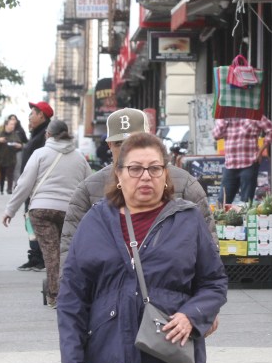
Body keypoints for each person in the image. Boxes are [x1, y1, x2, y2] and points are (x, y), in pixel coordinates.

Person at [57, 132, 228, 363]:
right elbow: (72, 293)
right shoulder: (96, 222)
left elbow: (213, 281)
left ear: (166, 174)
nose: (145, 176)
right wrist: (72, 354)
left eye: (155, 168)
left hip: (168, 359)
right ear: (119, 175)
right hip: (107, 357)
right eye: (135, 168)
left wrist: (192, 315)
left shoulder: (187, 220)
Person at [60, 108, 215, 269]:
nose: (126, 149)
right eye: (119, 143)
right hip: (108, 289)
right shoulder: (89, 189)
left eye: (135, 142)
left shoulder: (184, 184)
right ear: (109, 145)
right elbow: (70, 248)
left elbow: (208, 250)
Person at [2, 119, 90, 307]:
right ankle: (73, 292)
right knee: (68, 253)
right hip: (70, 211)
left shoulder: (40, 154)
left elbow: (24, 184)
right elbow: (90, 185)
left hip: (41, 210)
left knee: (51, 253)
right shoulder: (79, 157)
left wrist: (10, 210)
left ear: (47, 135)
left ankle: (55, 296)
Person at [16, 100, 52, 272]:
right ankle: (35, 255)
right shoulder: (37, 135)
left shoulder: (44, 137)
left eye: (32, 113)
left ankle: (38, 257)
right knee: (31, 222)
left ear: (41, 116)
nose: (29, 117)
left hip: (37, 188)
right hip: (33, 188)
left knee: (35, 222)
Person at [212, 113, 272, 204]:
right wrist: (224, 120)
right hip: (230, 164)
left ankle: (245, 218)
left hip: (249, 163)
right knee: (222, 201)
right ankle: (220, 218)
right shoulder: (224, 117)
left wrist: (261, 150)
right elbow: (216, 135)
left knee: (246, 201)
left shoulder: (254, 114)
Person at [0, 114, 28, 195]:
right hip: (1, 158)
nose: (13, 126)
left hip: (12, 158)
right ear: (6, 125)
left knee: (10, 174)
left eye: (14, 124)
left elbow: (21, 144)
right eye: (11, 124)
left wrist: (19, 146)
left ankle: (9, 189)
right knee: (2, 175)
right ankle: (2, 189)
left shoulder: (15, 134)